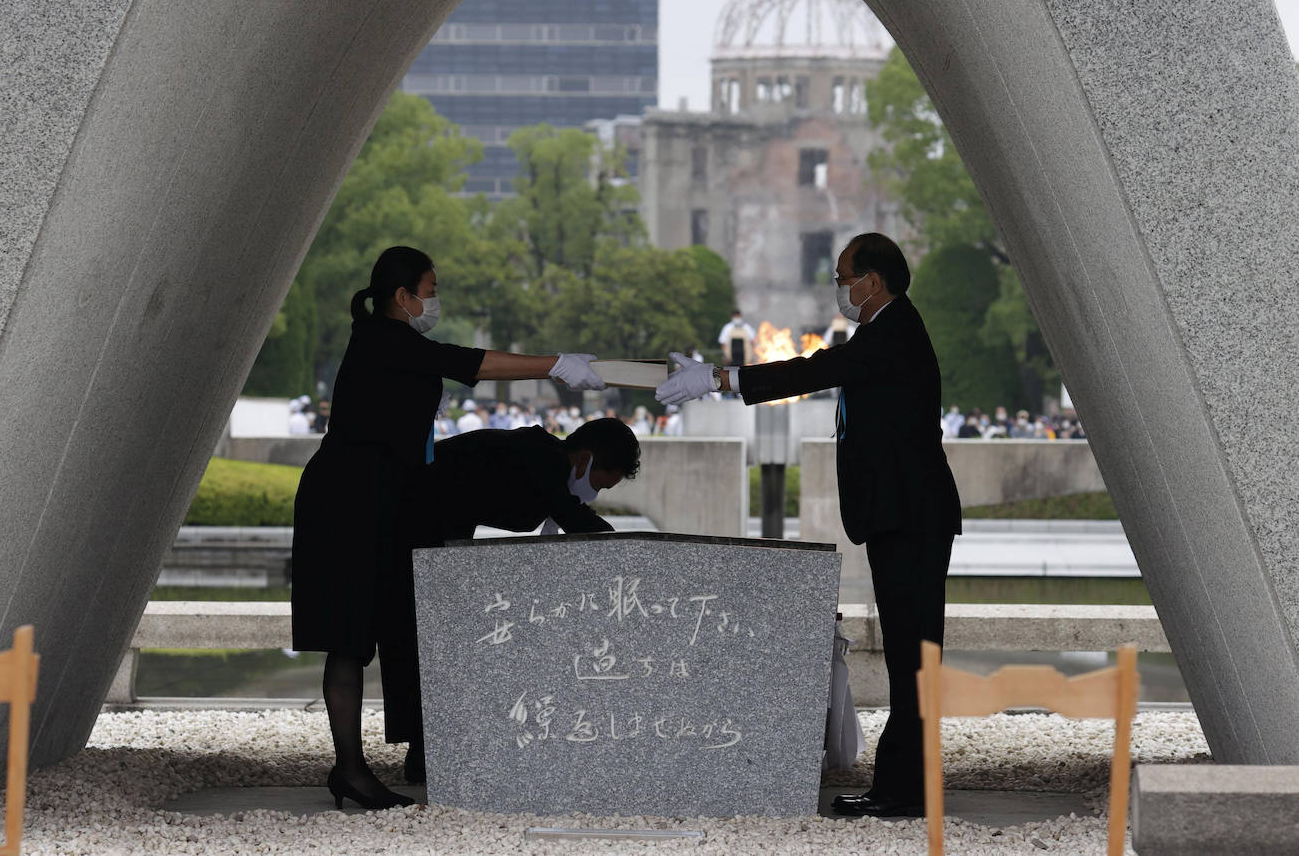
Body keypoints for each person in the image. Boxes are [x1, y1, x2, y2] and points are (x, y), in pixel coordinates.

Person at [655, 232, 961, 818]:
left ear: (872, 282)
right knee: (909, 653)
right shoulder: (884, 328)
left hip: (912, 515)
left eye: (844, 277)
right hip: (903, 514)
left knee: (914, 655)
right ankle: (905, 786)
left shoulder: (893, 330)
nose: (839, 287)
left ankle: (905, 792)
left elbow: (815, 370)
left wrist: (722, 381)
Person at [290, 245, 606, 810]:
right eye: (429, 291)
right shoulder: (385, 340)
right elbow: (472, 363)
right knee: (350, 636)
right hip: (348, 497)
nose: (433, 301)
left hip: (380, 496)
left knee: (364, 631)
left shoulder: (392, 342)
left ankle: (354, 767)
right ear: (403, 296)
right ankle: (350, 769)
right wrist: (554, 364)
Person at [429, 416, 640, 541]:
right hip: (417, 502)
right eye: (600, 486)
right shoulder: (543, 459)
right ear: (585, 460)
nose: (593, 495)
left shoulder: (547, 458)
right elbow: (573, 516)